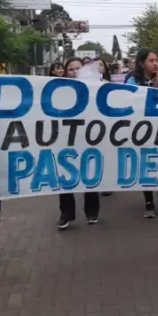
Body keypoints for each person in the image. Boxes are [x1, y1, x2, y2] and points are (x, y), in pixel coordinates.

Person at [126, 49, 158, 218]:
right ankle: (148, 200)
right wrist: (156, 86)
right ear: (141, 63)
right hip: (140, 130)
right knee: (145, 164)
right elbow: (137, 103)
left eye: (157, 60)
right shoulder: (132, 80)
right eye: (151, 60)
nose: (156, 63)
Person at [55, 58, 102, 229]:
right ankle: (66, 213)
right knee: (65, 174)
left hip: (87, 137)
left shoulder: (93, 90)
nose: (74, 72)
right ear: (65, 72)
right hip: (65, 137)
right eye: (71, 69)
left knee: (89, 171)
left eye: (78, 69)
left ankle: (92, 211)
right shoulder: (57, 90)